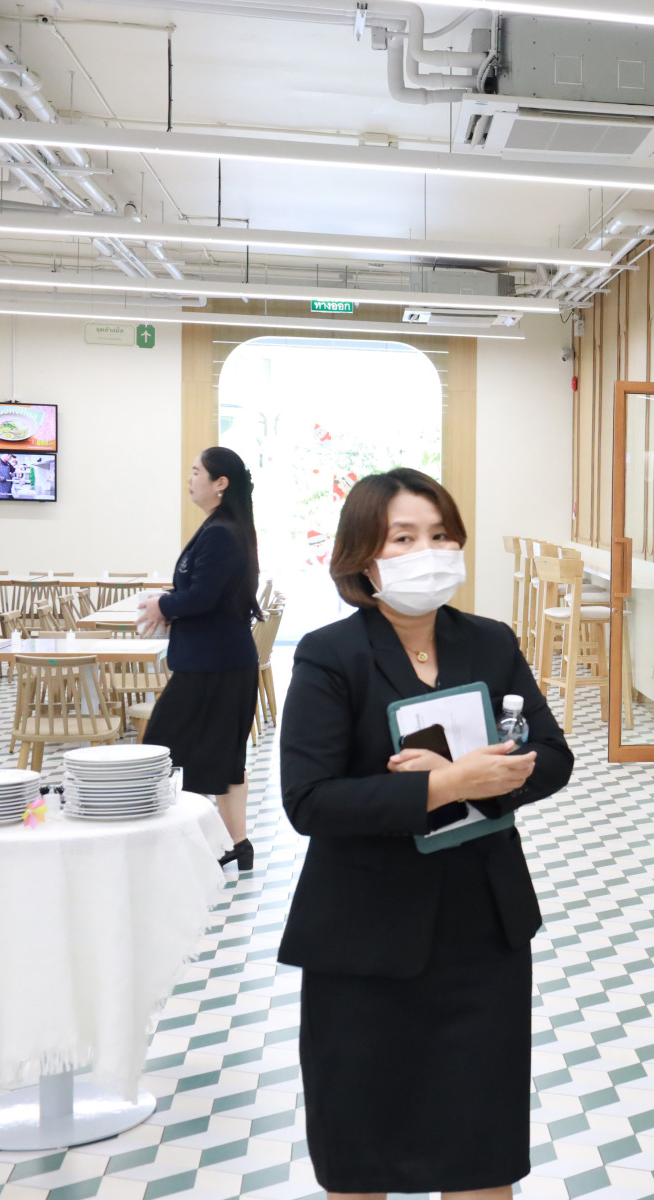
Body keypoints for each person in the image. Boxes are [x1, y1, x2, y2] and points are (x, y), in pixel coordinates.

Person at [277, 468, 575, 1200]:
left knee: (479, 1147)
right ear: (362, 556)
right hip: (363, 940)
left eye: (441, 536)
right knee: (361, 1151)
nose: (428, 553)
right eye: (403, 539)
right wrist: (443, 785)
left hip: (481, 930)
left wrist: (492, 777)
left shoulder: (491, 642)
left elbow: (553, 756)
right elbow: (309, 801)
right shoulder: (329, 654)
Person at [139, 447, 265, 869]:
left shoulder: (222, 532)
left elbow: (202, 596)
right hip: (218, 660)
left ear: (220, 483)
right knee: (219, 756)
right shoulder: (224, 527)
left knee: (163, 749)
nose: (189, 479)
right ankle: (236, 844)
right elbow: (210, 596)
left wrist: (163, 605)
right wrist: (172, 607)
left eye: (196, 472)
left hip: (216, 664)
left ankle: (181, 843)